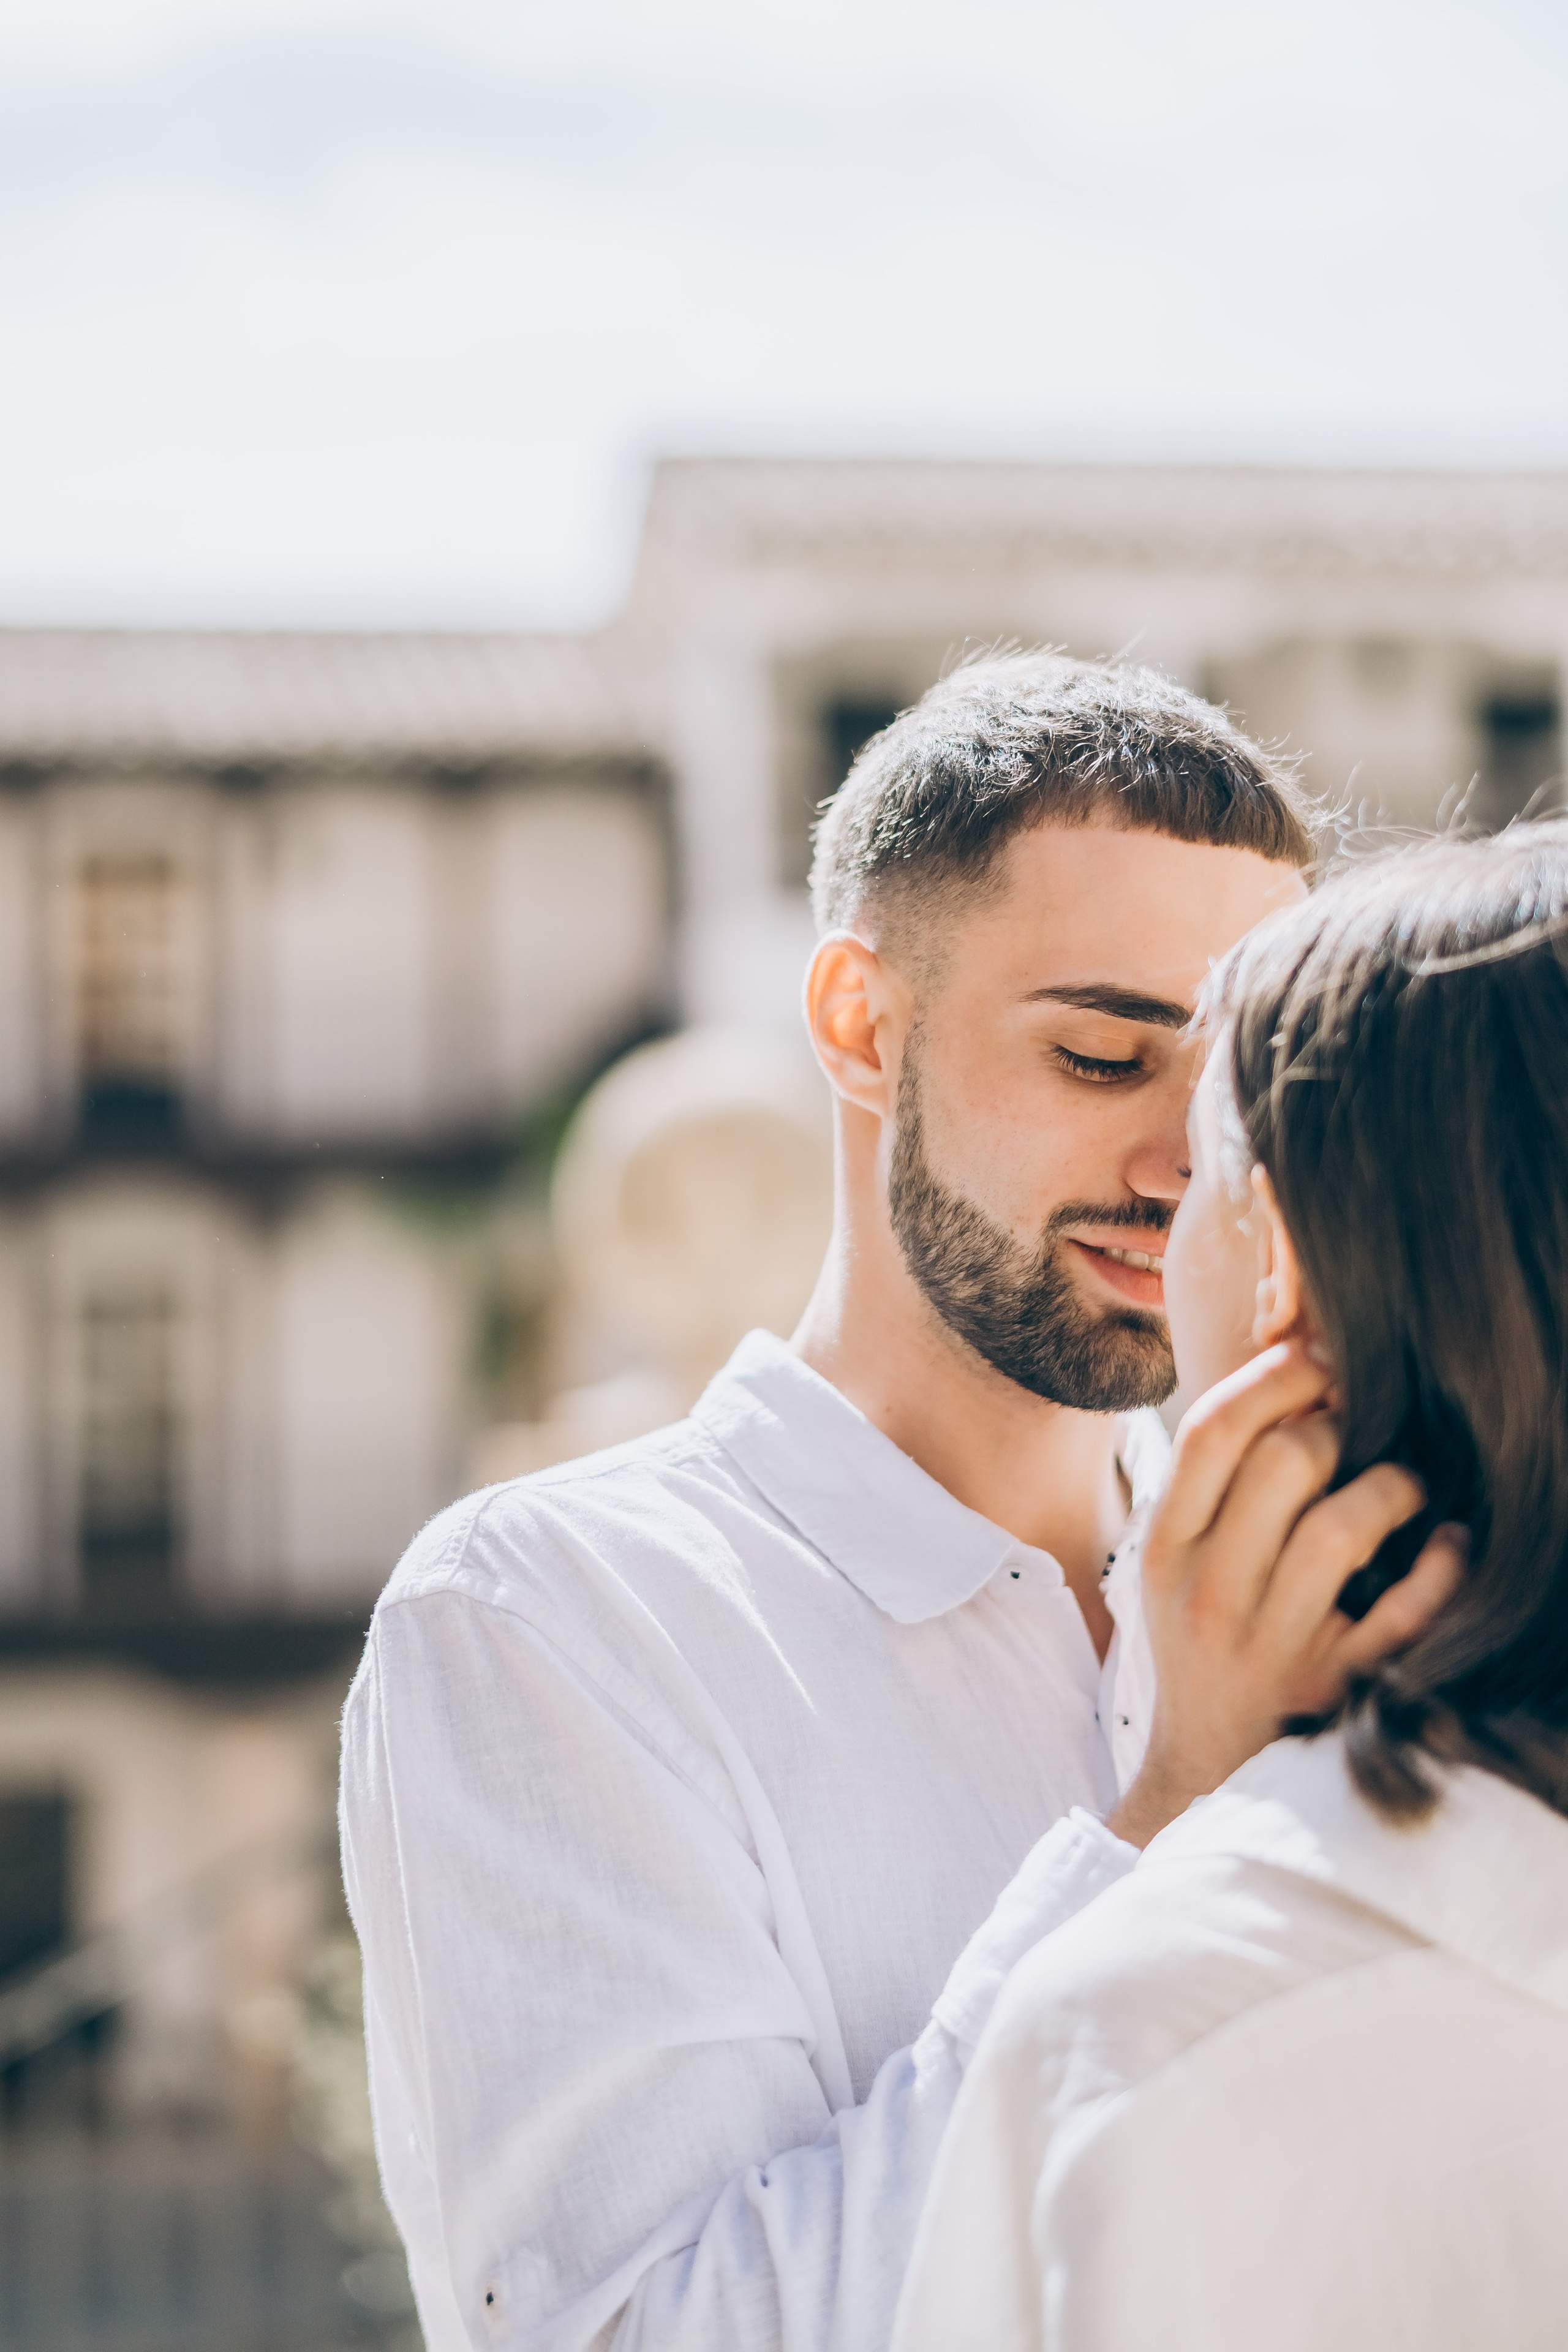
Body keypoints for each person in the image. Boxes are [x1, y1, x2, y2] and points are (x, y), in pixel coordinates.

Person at [339, 655, 1450, 2352]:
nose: (1184, 1167)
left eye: (1238, 1091)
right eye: (1100, 1057)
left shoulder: (1353, 1569)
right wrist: (1175, 1807)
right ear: (864, 1025)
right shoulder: (545, 1619)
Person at [893, 823, 1568, 2352]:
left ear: (1276, 1272)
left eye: (1203, 1153)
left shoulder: (1156, 2038)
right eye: (1087, 1056)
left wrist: (1182, 1803)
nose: (1154, 1186)